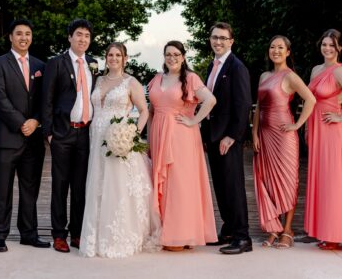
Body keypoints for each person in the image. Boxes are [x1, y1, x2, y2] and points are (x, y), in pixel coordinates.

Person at [79, 42, 160, 258]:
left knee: (118, 186)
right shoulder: (97, 80)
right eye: (110, 55)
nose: (113, 58)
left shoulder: (131, 82)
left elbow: (144, 111)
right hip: (96, 140)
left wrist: (132, 134)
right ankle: (95, 234)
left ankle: (122, 234)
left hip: (120, 140)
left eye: (118, 55)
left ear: (125, 58)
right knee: (98, 183)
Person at [146, 40, 217, 251]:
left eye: (176, 54)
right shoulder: (157, 79)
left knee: (179, 184)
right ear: (164, 57)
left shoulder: (191, 78)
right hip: (159, 134)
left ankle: (181, 234)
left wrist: (194, 120)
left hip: (181, 137)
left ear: (183, 57)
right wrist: (149, 139)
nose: (172, 58)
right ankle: (166, 229)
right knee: (163, 184)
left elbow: (210, 100)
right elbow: (151, 111)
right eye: (168, 54)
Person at [0, 18, 49, 252]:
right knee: (2, 187)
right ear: (11, 37)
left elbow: (46, 99)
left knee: (30, 188)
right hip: (8, 135)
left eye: (28, 34)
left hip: (33, 137)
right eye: (19, 33)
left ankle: (29, 233)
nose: (24, 37)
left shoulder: (40, 65)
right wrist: (21, 122)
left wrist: (35, 121)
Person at [252, 35, 316, 248]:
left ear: (288, 52)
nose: (276, 51)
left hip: (284, 135)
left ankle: (288, 230)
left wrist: (297, 125)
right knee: (269, 181)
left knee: (288, 182)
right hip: (264, 135)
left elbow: (311, 99)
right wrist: (254, 134)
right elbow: (259, 107)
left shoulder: (291, 76)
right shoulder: (263, 76)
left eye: (280, 47)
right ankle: (274, 228)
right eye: (272, 47)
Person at [304, 29, 342, 250]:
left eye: (332, 45)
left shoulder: (339, 71)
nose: (328, 48)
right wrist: (308, 129)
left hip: (333, 131)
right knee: (322, 179)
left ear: (339, 48)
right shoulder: (316, 69)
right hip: (317, 129)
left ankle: (336, 234)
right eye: (324, 44)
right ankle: (324, 231)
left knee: (334, 181)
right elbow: (311, 101)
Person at [42, 19, 97, 253]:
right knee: (60, 185)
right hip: (62, 133)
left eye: (86, 35)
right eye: (78, 34)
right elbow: (47, 99)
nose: (82, 39)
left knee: (80, 185)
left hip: (85, 134)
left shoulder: (93, 64)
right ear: (69, 37)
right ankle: (58, 234)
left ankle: (77, 232)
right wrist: (49, 133)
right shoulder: (56, 63)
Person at [201, 22, 252, 254]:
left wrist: (232, 136)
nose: (218, 42)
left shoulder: (236, 67)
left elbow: (243, 106)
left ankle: (243, 238)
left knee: (233, 187)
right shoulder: (213, 66)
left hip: (228, 138)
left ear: (231, 41)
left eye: (223, 38)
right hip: (213, 136)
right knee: (221, 186)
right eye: (215, 38)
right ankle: (229, 229)